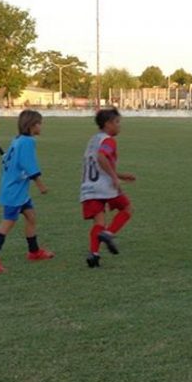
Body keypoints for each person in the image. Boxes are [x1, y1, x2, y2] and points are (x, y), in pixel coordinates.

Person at [0, 110, 53, 273]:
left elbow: (7, 158)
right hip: (14, 190)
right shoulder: (27, 142)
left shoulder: (18, 139)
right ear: (32, 126)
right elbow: (29, 164)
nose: (41, 126)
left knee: (31, 216)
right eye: (39, 123)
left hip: (17, 189)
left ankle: (34, 252)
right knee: (8, 222)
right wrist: (40, 184)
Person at [80, 108, 136, 268]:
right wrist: (114, 178)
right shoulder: (108, 141)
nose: (119, 126)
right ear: (108, 124)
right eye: (117, 122)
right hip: (104, 186)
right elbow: (101, 157)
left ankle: (94, 254)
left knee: (99, 220)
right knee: (127, 208)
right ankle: (108, 233)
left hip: (88, 187)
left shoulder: (93, 140)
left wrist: (119, 175)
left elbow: (97, 164)